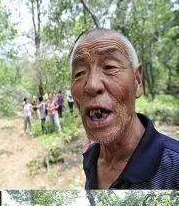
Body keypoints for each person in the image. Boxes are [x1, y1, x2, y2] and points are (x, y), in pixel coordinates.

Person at [70, 28, 179, 189]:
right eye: (79, 73)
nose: (92, 85)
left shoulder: (174, 168)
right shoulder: (91, 158)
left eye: (109, 67)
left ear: (137, 80)